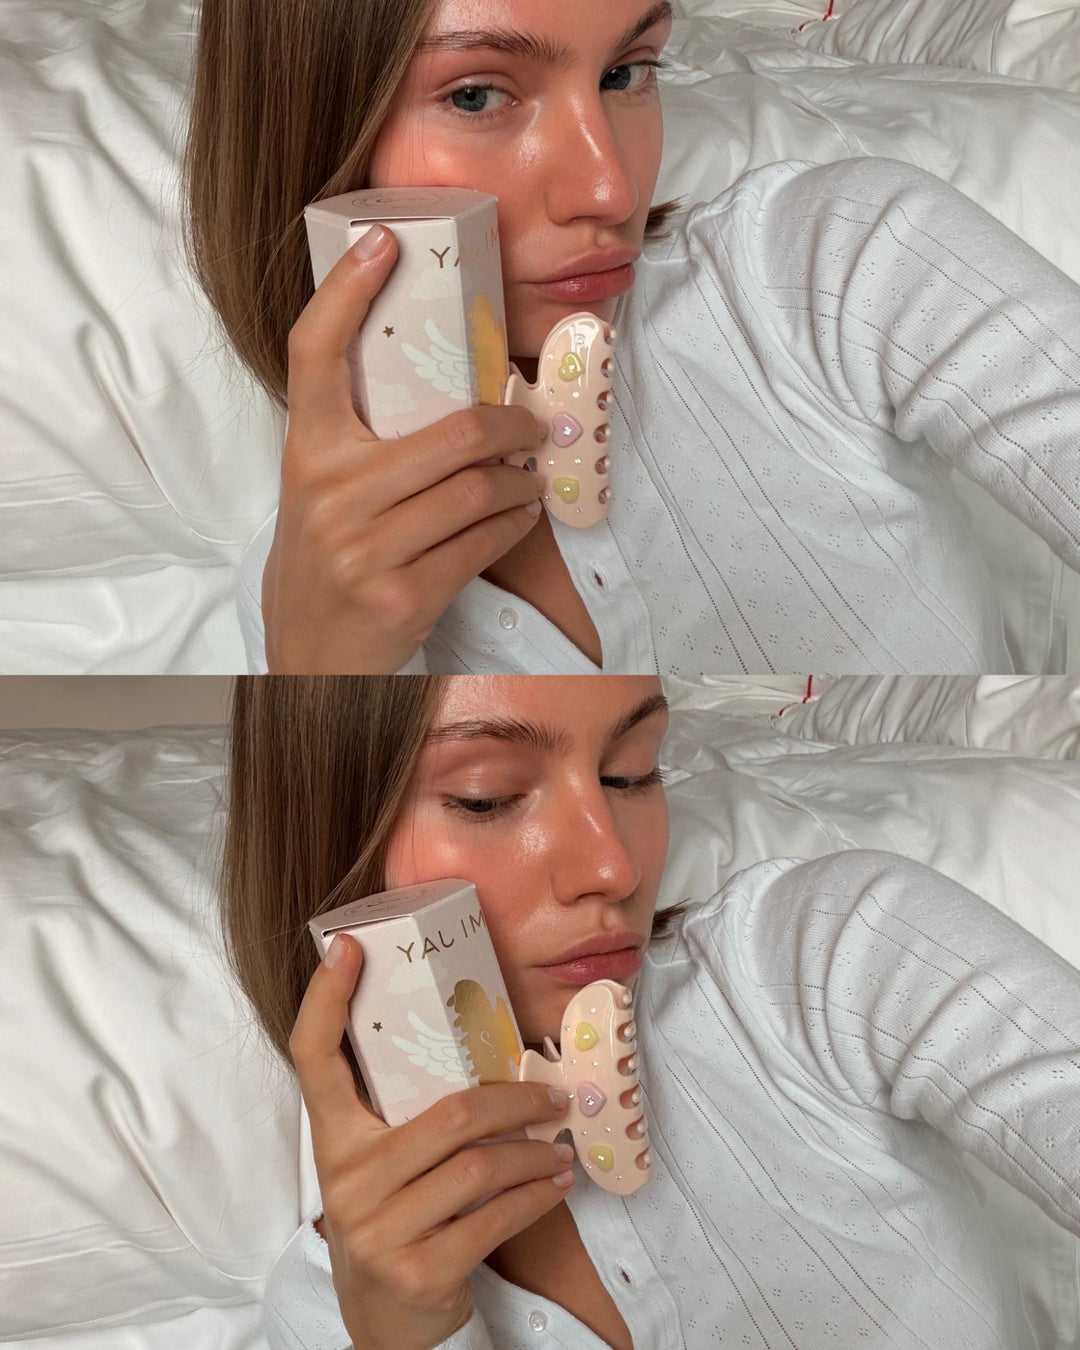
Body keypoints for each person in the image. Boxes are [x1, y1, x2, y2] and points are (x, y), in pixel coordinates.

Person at [182, 0, 1080, 676]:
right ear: (311, 133)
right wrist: (324, 668)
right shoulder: (299, 592)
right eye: (478, 93)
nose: (611, 188)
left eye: (627, 73)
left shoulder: (830, 261)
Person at [221, 674, 1080, 1349]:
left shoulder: (825, 955)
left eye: (633, 770)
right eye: (487, 796)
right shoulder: (332, 1312)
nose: (614, 866)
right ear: (331, 825)